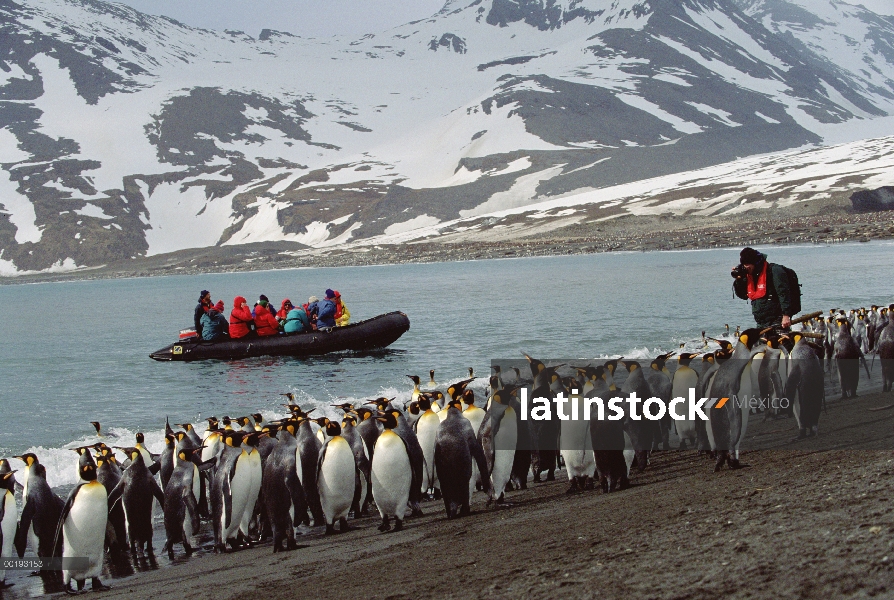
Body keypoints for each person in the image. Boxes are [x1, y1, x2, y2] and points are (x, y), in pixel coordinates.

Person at [732, 247, 793, 329]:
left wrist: (786, 316)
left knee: (779, 341)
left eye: (748, 264)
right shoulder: (750, 275)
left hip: (778, 321)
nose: (746, 267)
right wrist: (739, 280)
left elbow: (784, 293)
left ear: (754, 262)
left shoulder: (774, 271)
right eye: (744, 264)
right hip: (761, 323)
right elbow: (743, 295)